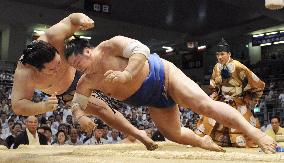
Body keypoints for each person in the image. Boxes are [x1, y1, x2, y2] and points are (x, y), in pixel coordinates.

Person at [64, 36, 277, 153]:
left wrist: (127, 74)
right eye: (74, 67)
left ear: (88, 51)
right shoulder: (87, 81)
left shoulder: (110, 47)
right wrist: (80, 117)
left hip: (164, 75)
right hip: (153, 100)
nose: (79, 69)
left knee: (204, 106)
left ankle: (256, 134)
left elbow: (141, 49)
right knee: (173, 134)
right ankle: (203, 142)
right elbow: (77, 103)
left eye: (78, 62)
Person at [11, 13, 157, 150]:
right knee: (102, 110)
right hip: (67, 92)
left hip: (82, 69)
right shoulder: (24, 74)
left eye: (58, 62)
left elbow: (71, 19)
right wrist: (42, 106)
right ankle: (137, 134)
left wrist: (82, 19)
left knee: (114, 80)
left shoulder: (53, 36)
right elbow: (17, 105)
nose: (58, 69)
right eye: (51, 70)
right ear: (36, 69)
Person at [195, 38, 264, 148]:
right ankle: (208, 141)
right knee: (209, 117)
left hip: (237, 100)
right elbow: (213, 84)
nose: (219, 57)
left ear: (229, 54)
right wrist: (213, 93)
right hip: (222, 100)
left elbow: (257, 82)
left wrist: (251, 97)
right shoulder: (216, 67)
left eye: (222, 54)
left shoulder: (238, 66)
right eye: (217, 54)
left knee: (242, 125)